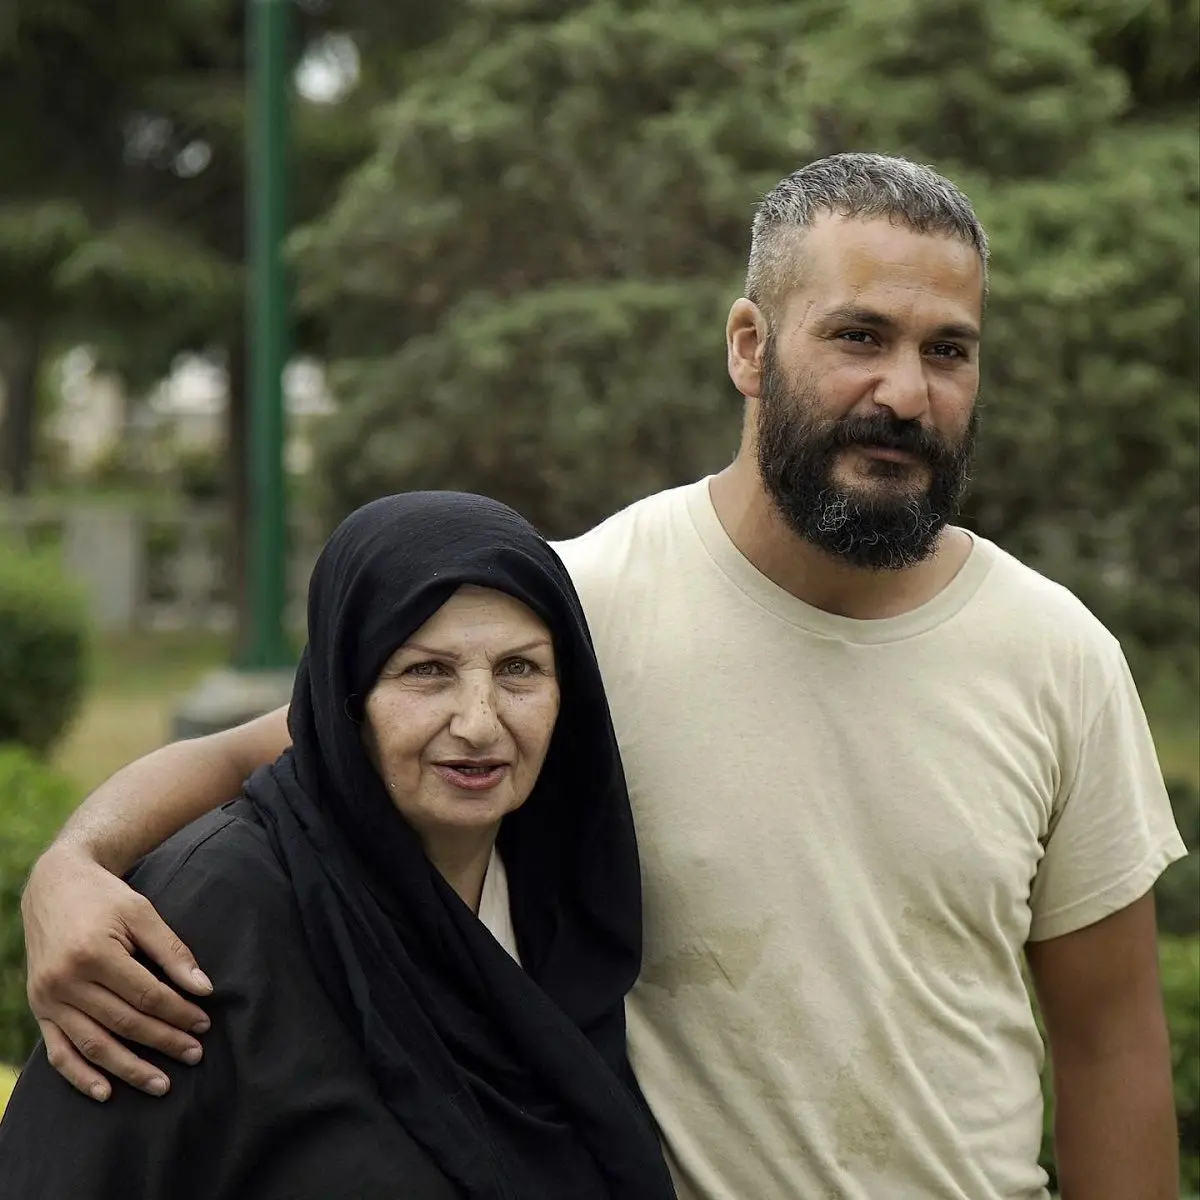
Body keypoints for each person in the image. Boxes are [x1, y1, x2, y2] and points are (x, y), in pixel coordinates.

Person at [19, 154, 1186, 1199]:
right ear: (749, 347)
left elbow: (1111, 1046)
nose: (906, 393)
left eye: (948, 351)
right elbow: (271, 751)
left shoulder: (1060, 656)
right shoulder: (575, 615)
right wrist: (69, 870)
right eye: (858, 337)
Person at [0, 492, 677, 1199]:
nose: (479, 724)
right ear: (344, 693)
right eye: (426, 671)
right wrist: (70, 861)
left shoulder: (564, 898)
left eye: (520, 670)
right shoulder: (206, 921)